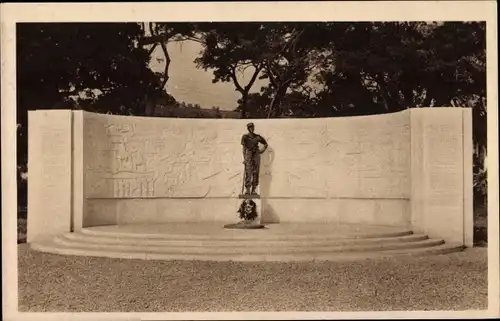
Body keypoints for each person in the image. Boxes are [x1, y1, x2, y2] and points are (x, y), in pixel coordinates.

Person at [241, 122, 268, 195]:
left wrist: (261, 151)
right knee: (248, 172)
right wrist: (245, 158)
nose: (252, 129)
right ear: (248, 129)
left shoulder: (257, 137)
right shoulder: (245, 137)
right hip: (249, 154)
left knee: (256, 172)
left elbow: (265, 144)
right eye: (250, 128)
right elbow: (244, 149)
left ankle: (253, 189)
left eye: (252, 127)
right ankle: (247, 190)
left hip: (256, 154)